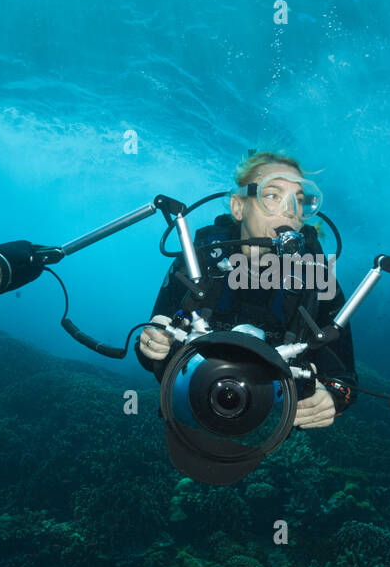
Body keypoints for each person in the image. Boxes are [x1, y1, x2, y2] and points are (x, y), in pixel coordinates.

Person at [136, 152, 357, 429]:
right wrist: (153, 343)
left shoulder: (315, 277)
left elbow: (344, 377)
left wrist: (333, 399)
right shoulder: (200, 261)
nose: (291, 210)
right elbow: (152, 342)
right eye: (273, 195)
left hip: (268, 425)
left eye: (300, 201)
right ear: (238, 207)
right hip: (192, 404)